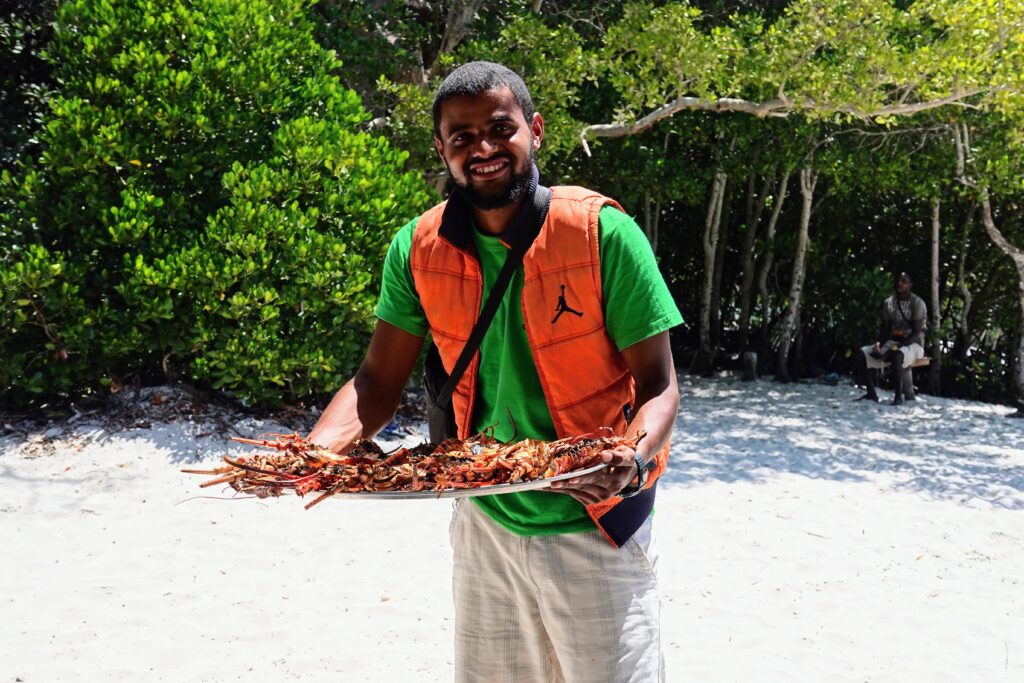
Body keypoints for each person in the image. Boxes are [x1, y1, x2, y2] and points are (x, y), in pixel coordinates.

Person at [307, 61, 682, 682]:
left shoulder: (601, 235)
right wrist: (315, 455)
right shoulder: (417, 248)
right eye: (461, 136)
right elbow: (375, 383)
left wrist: (632, 460)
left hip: (594, 522)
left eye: (500, 129)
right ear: (442, 149)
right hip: (484, 517)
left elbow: (660, 385)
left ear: (534, 130)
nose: (482, 148)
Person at [856, 271, 927, 405]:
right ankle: (871, 393)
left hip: (914, 344)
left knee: (897, 356)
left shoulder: (917, 303)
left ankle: (898, 396)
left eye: (904, 281)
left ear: (910, 285)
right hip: (893, 341)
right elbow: (885, 329)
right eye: (898, 281)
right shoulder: (889, 302)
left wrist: (898, 347)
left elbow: (917, 332)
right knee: (862, 354)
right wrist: (878, 345)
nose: (900, 284)